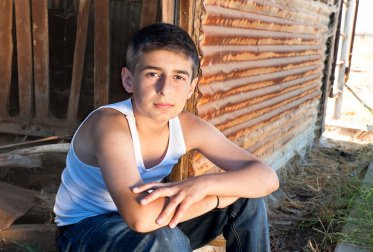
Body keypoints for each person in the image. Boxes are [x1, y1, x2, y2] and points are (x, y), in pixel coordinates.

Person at [54, 23, 279, 252]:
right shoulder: (110, 124)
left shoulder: (186, 126)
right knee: (165, 240)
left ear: (191, 87)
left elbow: (267, 177)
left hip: (149, 219)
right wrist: (216, 198)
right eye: (153, 74)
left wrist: (203, 184)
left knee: (246, 200)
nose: (165, 89)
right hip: (84, 230)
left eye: (178, 77)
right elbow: (139, 218)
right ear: (129, 80)